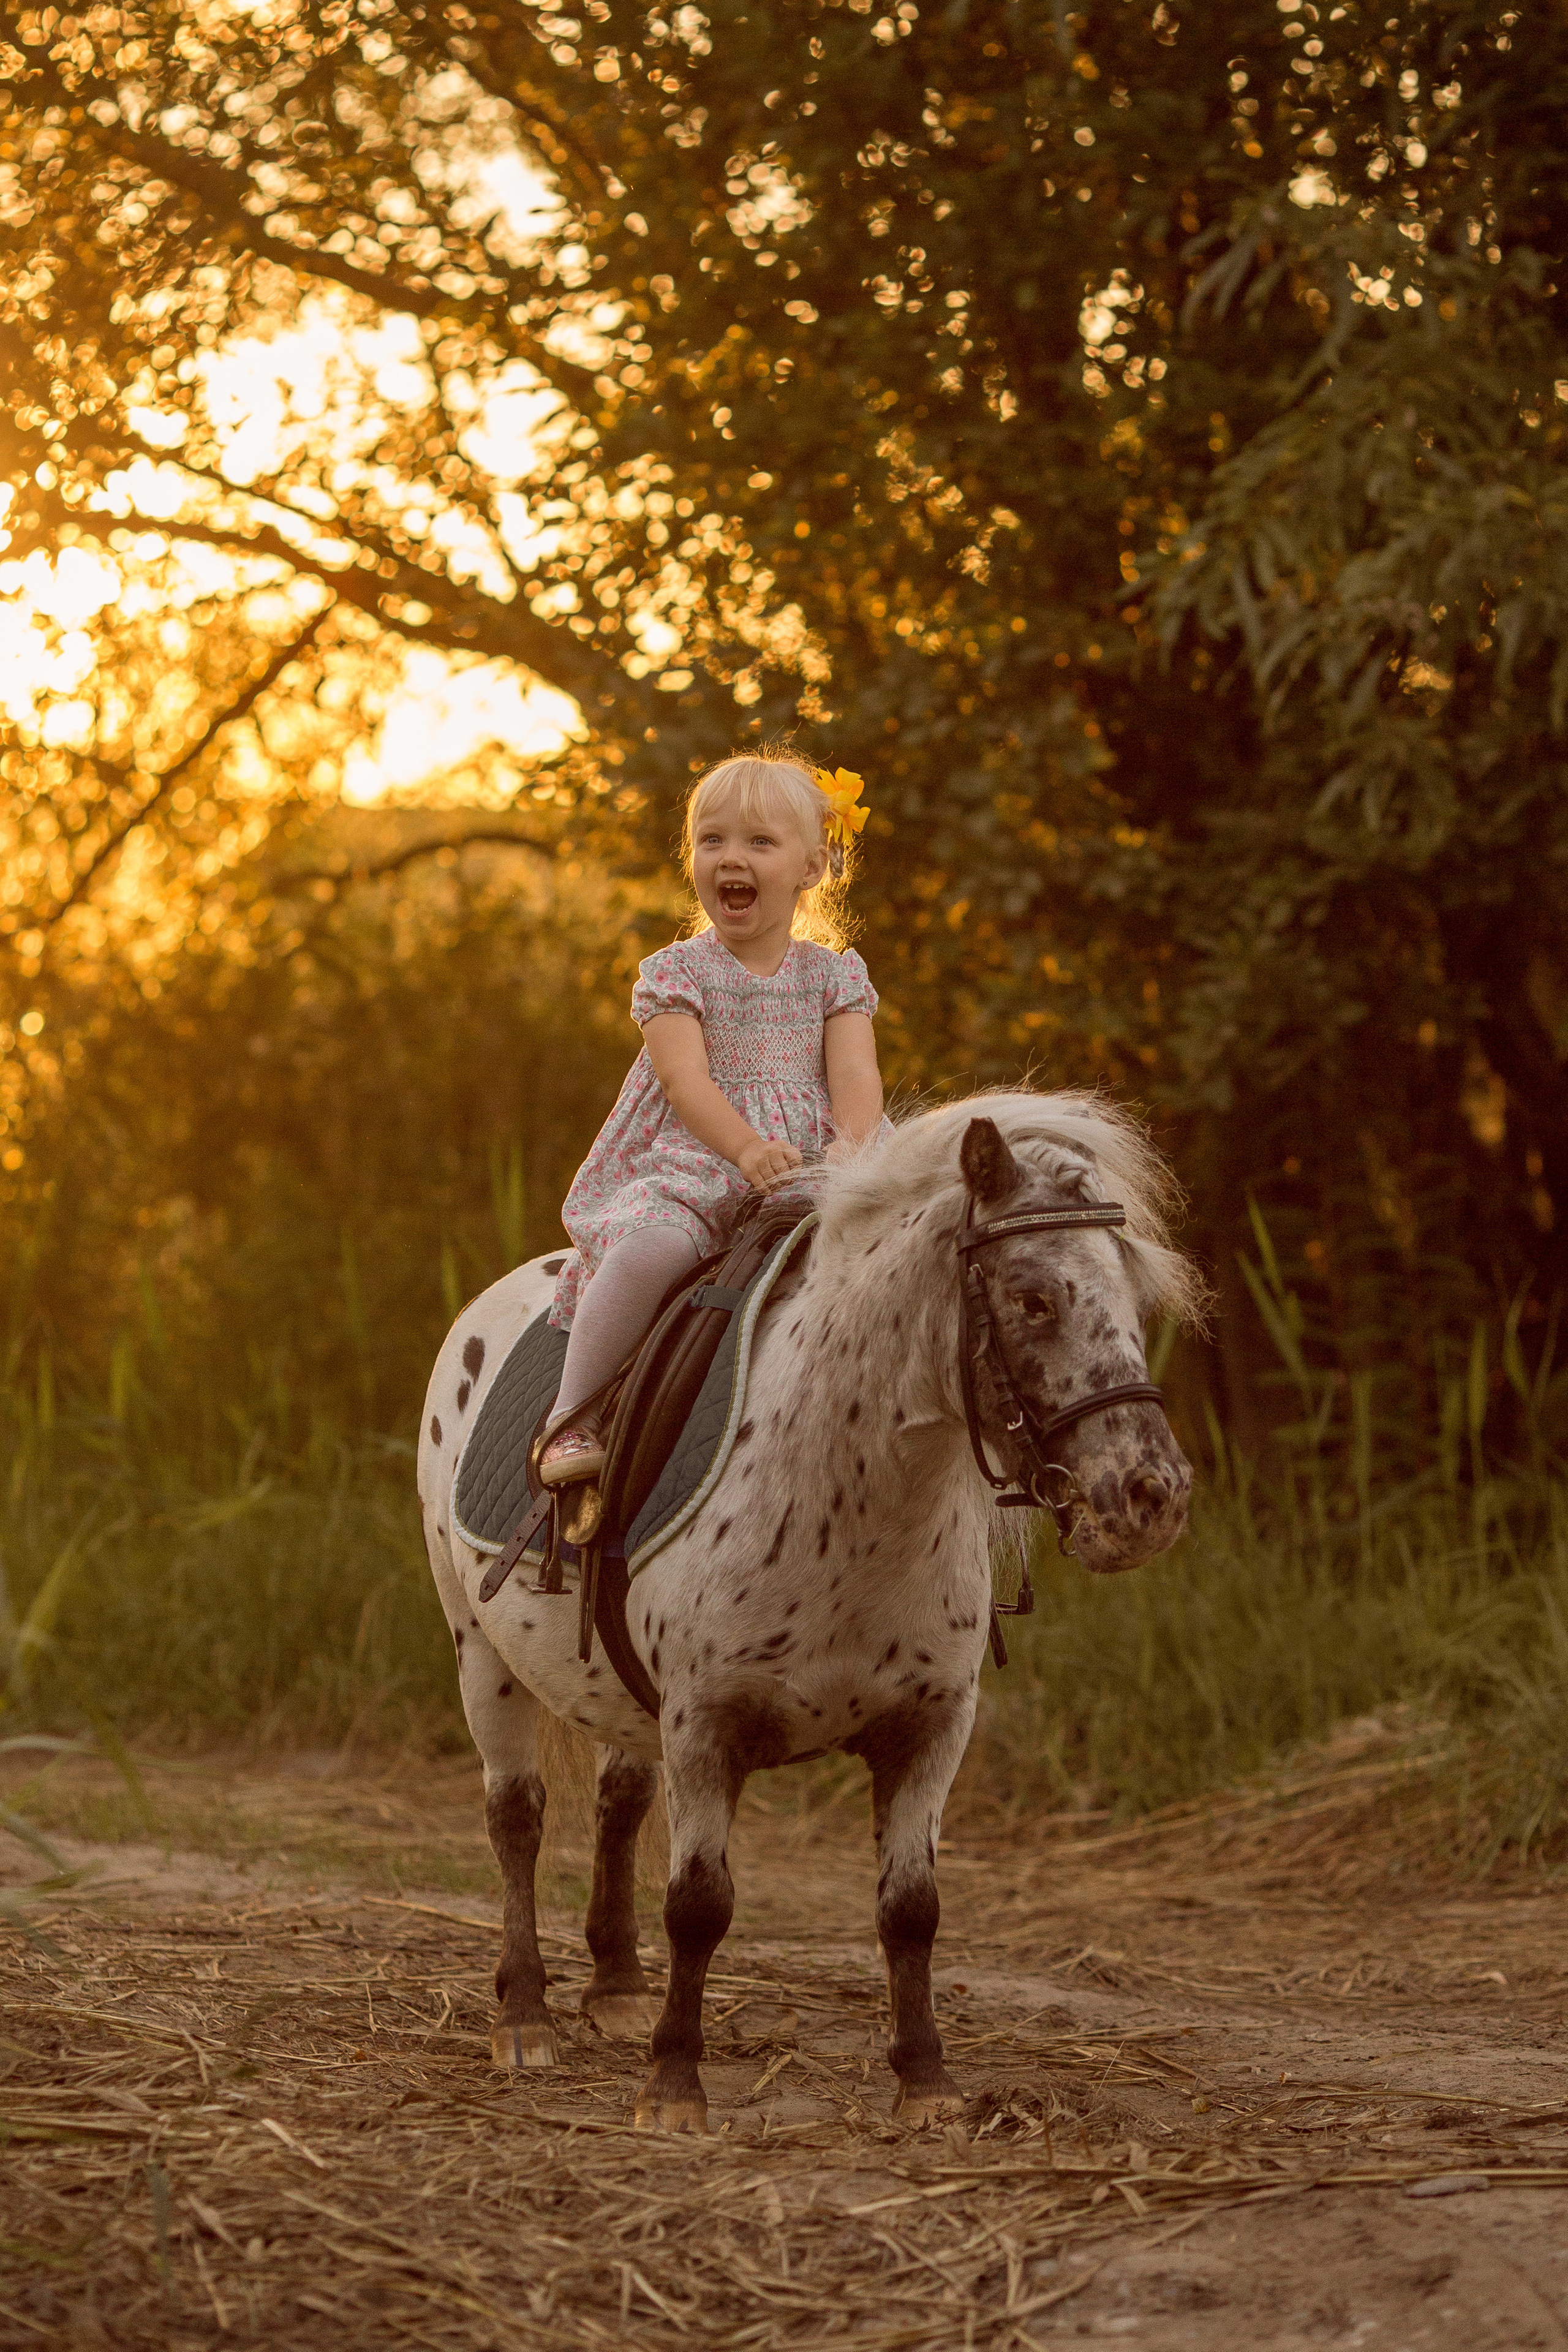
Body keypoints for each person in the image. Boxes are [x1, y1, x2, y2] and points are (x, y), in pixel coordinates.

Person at [538, 750, 887, 1487]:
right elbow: (683, 1078)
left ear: (812, 866)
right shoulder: (677, 972)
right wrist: (745, 1146)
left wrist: (851, 1158)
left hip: (815, 1163)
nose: (732, 858)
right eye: (713, 840)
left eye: (760, 842)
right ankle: (570, 1417)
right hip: (700, 1161)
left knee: (912, 1254)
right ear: (692, 858)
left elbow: (856, 1075)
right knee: (647, 1253)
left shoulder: (833, 976)